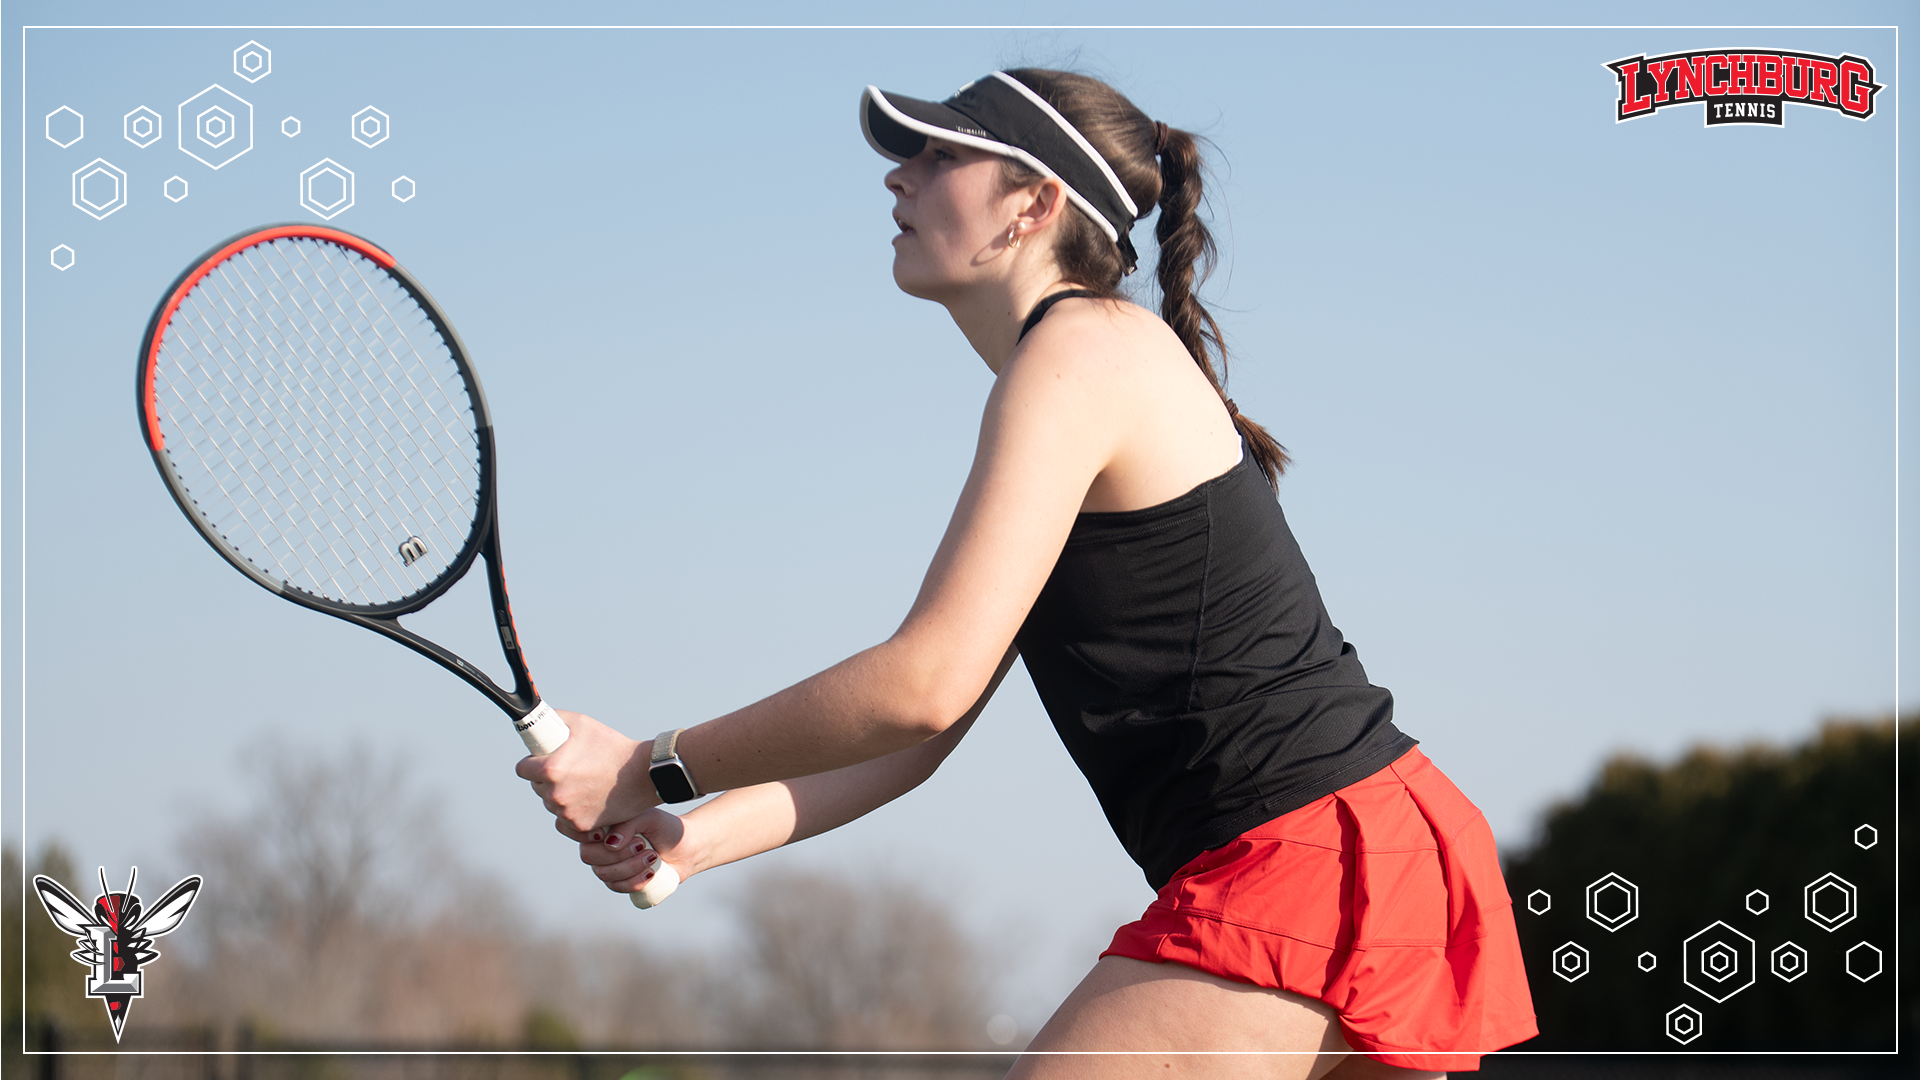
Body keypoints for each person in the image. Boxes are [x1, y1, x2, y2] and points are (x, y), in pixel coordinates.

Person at [517, 68, 1536, 1078]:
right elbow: (911, 743)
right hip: (1365, 847)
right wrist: (693, 838)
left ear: (1035, 205)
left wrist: (648, 762)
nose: (897, 179)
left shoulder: (1080, 354)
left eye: (941, 155)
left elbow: (920, 686)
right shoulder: (1071, 376)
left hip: (1308, 858)